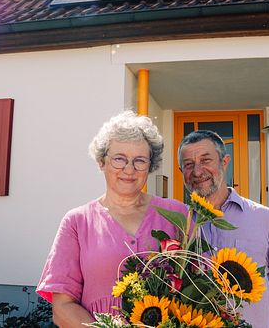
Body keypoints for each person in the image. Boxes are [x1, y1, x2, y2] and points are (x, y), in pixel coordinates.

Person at [36, 111, 188, 327]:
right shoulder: (77, 222)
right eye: (119, 159)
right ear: (101, 162)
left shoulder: (178, 215)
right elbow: (62, 308)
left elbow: (201, 289)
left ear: (150, 166)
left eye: (140, 161)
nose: (129, 169)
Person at [178, 130, 269, 328]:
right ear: (182, 172)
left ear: (224, 162)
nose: (197, 171)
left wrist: (261, 314)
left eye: (206, 160)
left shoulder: (265, 218)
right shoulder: (178, 222)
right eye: (188, 165)